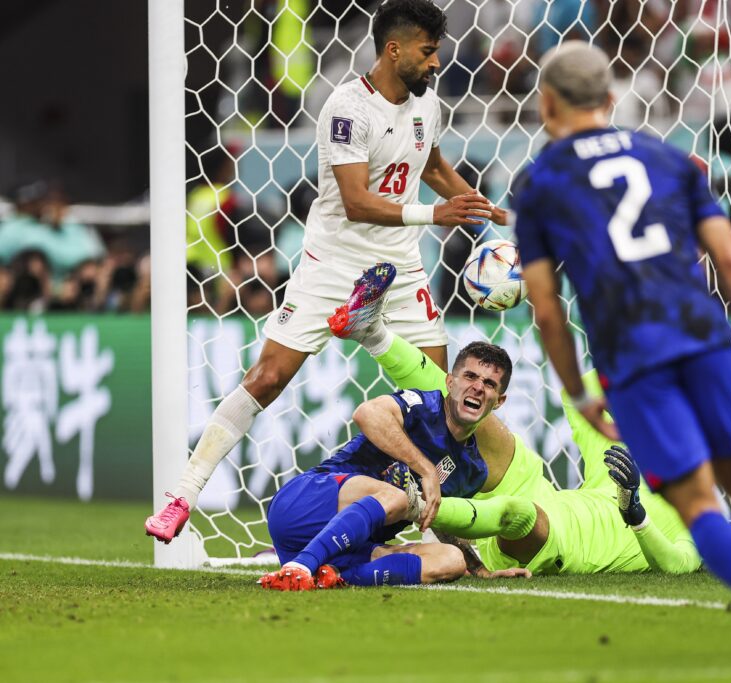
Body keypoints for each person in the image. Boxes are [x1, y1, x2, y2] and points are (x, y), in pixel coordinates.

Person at [513, 42, 731, 654]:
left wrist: (577, 390)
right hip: (704, 336)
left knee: (696, 500)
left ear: (547, 105)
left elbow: (546, 308)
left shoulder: (540, 184)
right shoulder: (668, 158)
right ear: (611, 99)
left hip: (631, 355)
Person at [145, 0, 508, 543]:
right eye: (428, 52)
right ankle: (184, 494)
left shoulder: (425, 104)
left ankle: (438, 533)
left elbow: (429, 165)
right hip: (334, 261)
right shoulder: (346, 108)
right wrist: (436, 214)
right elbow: (357, 201)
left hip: (401, 265)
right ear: (395, 49)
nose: (436, 63)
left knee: (438, 392)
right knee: (268, 377)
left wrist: (484, 212)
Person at [360, 329, 702, 577]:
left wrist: (636, 514)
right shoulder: (626, 457)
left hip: (561, 540)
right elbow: (580, 391)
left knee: (519, 511)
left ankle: (414, 503)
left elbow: (676, 565)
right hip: (545, 494)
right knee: (485, 421)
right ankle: (374, 334)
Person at [258, 340, 527, 590]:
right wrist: (426, 469)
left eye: (490, 384)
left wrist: (480, 570)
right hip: (305, 506)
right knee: (395, 497)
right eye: (470, 376)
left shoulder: (473, 470)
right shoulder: (423, 406)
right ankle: (300, 566)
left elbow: (440, 518)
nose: (478, 387)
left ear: (499, 401)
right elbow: (367, 413)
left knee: (451, 559)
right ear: (450, 382)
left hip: (354, 544)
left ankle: (334, 575)